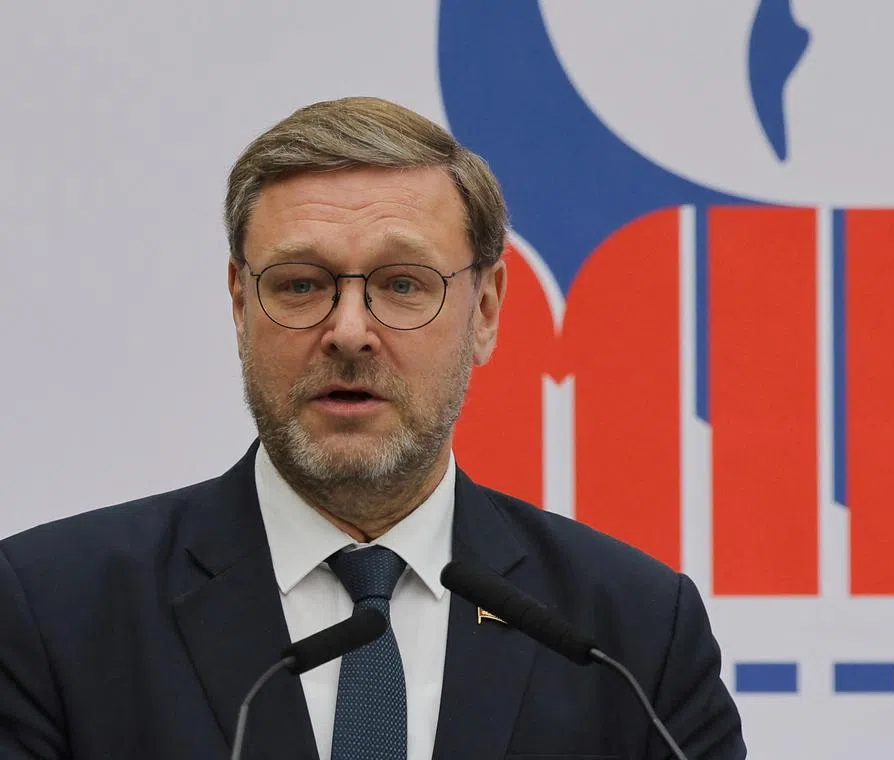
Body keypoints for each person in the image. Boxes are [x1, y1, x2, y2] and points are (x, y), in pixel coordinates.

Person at [0, 97, 746, 759]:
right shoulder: (51, 611)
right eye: (299, 285)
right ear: (238, 303)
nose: (349, 332)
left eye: (401, 285)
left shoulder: (631, 635)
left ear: (485, 311)